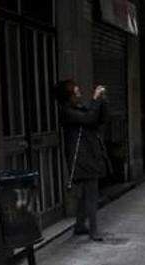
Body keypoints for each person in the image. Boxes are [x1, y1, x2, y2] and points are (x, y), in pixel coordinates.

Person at [54, 79, 110, 241]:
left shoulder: (79, 107)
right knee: (91, 194)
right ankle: (93, 230)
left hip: (89, 154)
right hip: (80, 157)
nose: (79, 94)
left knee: (85, 194)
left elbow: (101, 119)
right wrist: (95, 99)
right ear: (69, 96)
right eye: (76, 92)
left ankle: (79, 225)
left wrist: (102, 101)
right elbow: (90, 119)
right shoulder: (67, 112)